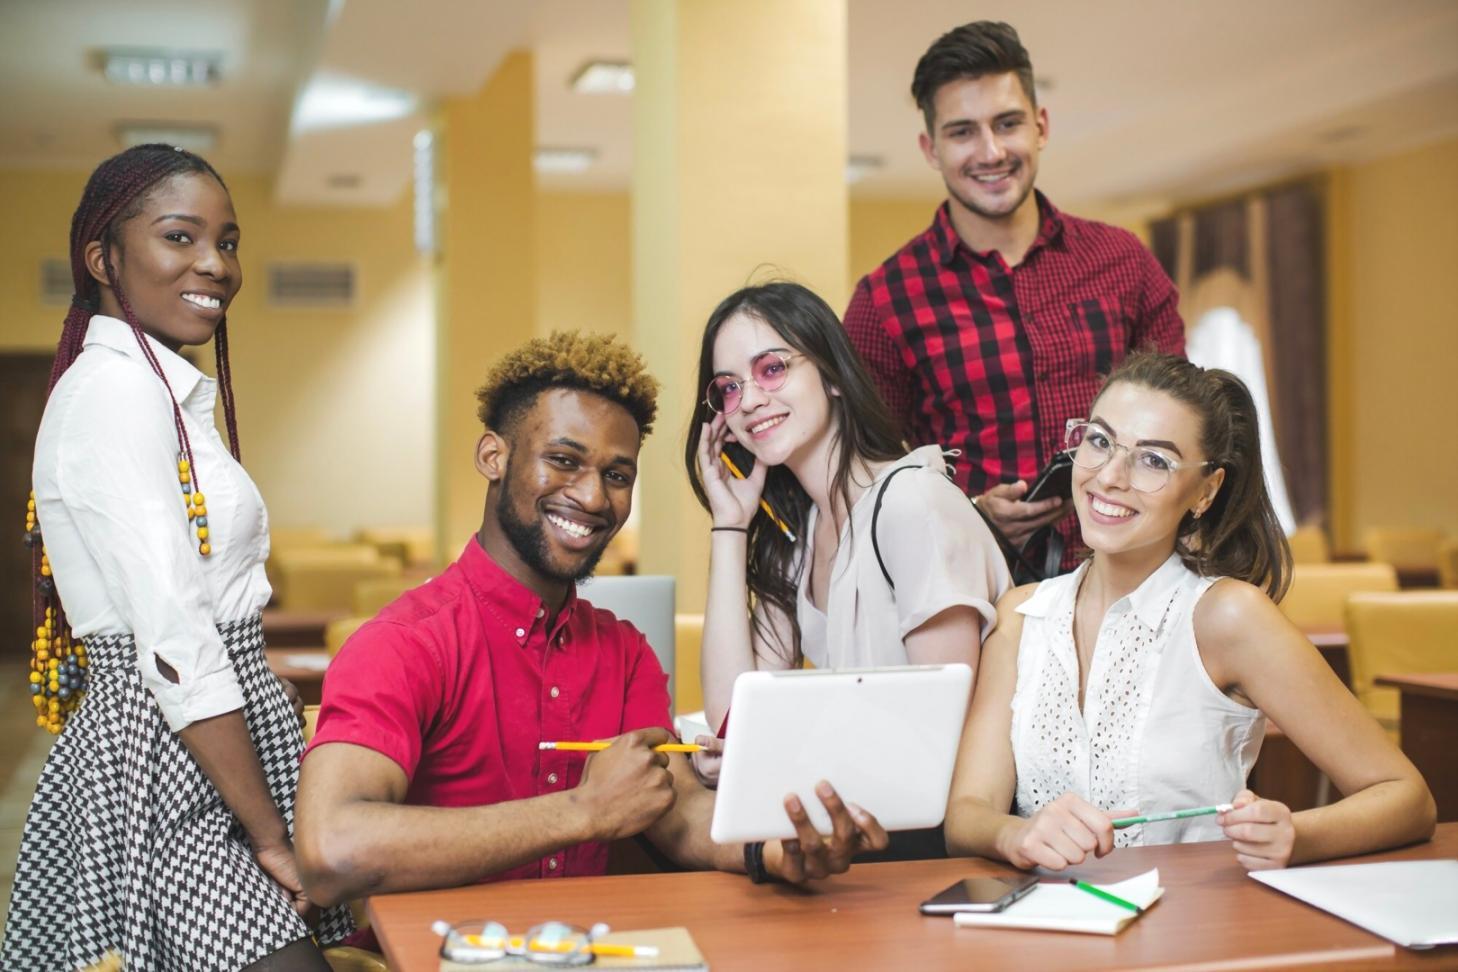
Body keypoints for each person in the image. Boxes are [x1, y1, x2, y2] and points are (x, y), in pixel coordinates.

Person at [294, 332, 889, 921]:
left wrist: (776, 851)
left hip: (597, 952)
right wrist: (581, 811)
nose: (592, 496)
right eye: (563, 460)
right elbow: (330, 849)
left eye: (617, 474)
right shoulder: (403, 643)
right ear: (493, 457)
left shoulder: (623, 651)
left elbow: (676, 813)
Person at [2, 145, 352, 972]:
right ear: (102, 258)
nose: (214, 264)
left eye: (227, 241)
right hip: (167, 759)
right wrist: (270, 836)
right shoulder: (114, 397)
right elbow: (174, 639)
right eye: (179, 236)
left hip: (212, 745)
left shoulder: (161, 394)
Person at [944, 352, 1436, 871]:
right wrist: (1015, 836)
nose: (1110, 476)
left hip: (1190, 935)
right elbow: (966, 815)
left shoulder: (1229, 617)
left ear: (1206, 491)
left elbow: (1406, 797)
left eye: (1153, 460)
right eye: (1100, 441)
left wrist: (1298, 834)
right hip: (1037, 934)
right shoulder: (1021, 616)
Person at [843, 21, 1184, 572]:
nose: (992, 150)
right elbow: (862, 478)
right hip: (977, 595)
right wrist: (968, 512)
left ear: (1041, 125)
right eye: (962, 132)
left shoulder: (1123, 263)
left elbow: (1184, 421)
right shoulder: (885, 302)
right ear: (931, 148)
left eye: (1007, 124)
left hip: (1138, 580)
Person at [687, 282, 1011, 759]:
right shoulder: (802, 534)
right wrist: (731, 525)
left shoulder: (913, 504)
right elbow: (733, 718)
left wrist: (776, 754)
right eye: (730, 387)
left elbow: (940, 737)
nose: (750, 400)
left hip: (940, 820)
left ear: (833, 375)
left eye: (772, 369)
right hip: (866, 807)